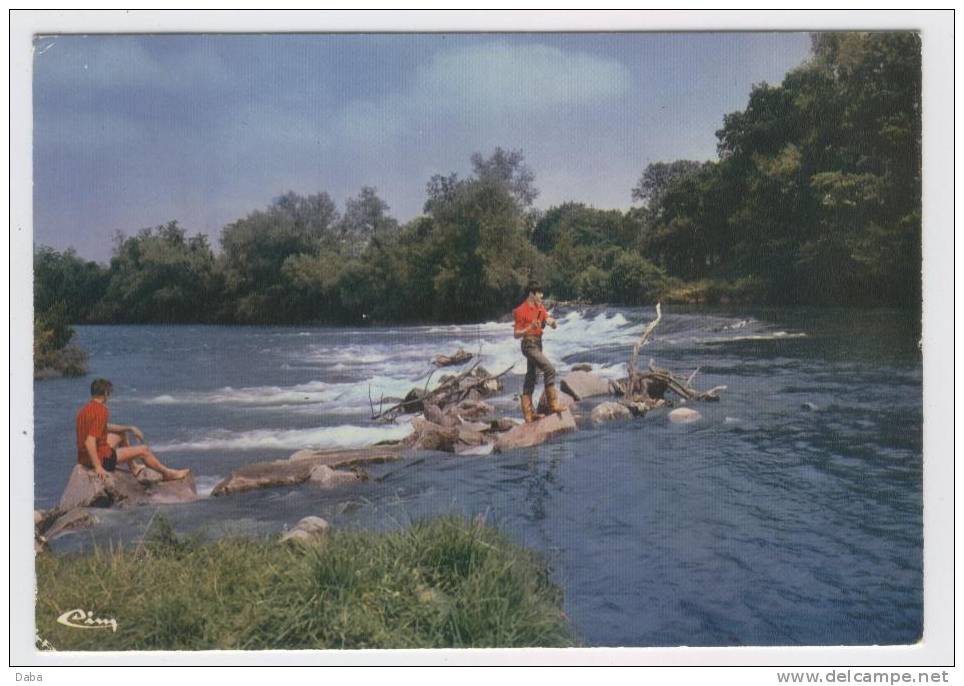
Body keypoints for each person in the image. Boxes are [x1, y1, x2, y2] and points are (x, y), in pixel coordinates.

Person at [75, 378, 190, 482]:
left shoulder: (84, 410)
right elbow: (89, 441)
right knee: (144, 450)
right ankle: (167, 474)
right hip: (103, 460)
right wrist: (98, 467)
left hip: (84, 459)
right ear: (106, 393)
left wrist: (129, 428)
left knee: (121, 434)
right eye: (109, 394)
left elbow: (104, 427)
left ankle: (133, 467)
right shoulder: (101, 410)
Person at [513, 281, 566, 423]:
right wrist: (528, 327)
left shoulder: (540, 307)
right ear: (532, 294)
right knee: (549, 369)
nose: (542, 295)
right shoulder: (520, 310)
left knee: (531, 376)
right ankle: (553, 405)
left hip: (538, 343)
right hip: (528, 344)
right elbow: (516, 334)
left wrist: (552, 322)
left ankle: (529, 415)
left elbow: (547, 319)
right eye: (539, 293)